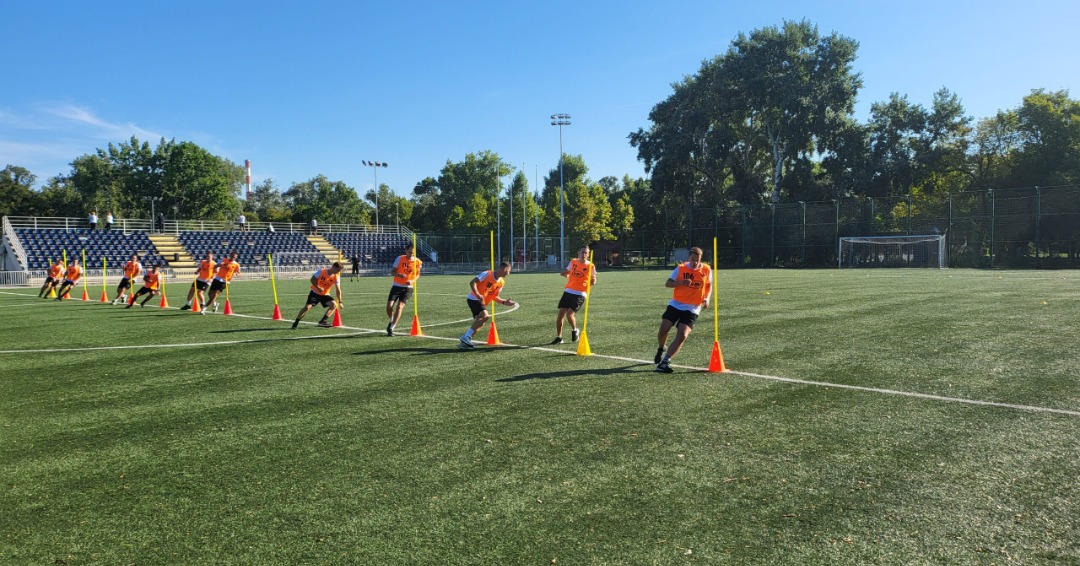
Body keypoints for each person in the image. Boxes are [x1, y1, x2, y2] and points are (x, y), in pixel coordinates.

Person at [654, 246, 712, 373]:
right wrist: (681, 283)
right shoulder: (680, 268)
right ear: (689, 258)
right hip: (676, 304)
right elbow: (668, 283)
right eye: (693, 259)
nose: (695, 262)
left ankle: (665, 361)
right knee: (663, 330)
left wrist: (707, 298)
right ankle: (661, 348)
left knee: (682, 335)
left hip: (693, 308)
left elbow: (708, 285)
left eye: (698, 260)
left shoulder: (706, 269)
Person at [458, 262, 516, 350]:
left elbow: (495, 297)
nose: (509, 273)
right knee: (485, 316)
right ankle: (466, 337)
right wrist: (478, 295)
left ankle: (465, 342)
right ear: (504, 269)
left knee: (480, 322)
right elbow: (472, 282)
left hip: (480, 302)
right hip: (473, 299)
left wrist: (504, 302)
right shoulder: (487, 274)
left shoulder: (501, 282)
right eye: (508, 271)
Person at [551, 245, 597, 344]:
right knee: (560, 315)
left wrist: (593, 281)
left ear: (588, 254)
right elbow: (567, 273)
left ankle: (575, 330)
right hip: (568, 291)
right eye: (582, 252)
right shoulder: (573, 262)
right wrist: (564, 273)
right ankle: (559, 337)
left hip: (580, 293)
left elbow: (593, 281)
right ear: (578, 253)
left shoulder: (591, 266)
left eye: (586, 253)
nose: (584, 254)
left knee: (569, 314)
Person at [291, 262, 344, 329]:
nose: (338, 272)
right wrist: (318, 287)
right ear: (333, 267)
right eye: (338, 270)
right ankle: (296, 321)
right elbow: (312, 279)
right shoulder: (321, 271)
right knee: (307, 308)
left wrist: (340, 302)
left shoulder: (336, 277)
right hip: (315, 293)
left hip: (325, 295)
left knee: (334, 305)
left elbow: (338, 289)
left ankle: (323, 321)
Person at [385, 244, 422, 336]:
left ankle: (391, 327)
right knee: (389, 306)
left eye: (413, 253)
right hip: (396, 286)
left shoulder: (417, 261)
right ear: (406, 250)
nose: (411, 254)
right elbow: (392, 271)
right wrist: (399, 275)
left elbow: (418, 274)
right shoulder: (399, 258)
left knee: (400, 307)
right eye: (409, 252)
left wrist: (412, 280)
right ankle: (392, 318)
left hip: (408, 288)